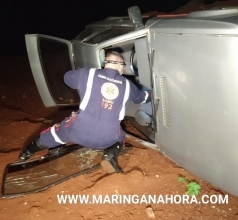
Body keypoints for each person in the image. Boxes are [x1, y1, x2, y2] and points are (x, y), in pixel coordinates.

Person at [18, 51, 150, 173]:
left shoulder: (88, 74)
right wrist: (151, 94)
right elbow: (142, 98)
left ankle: (27, 152)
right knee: (120, 134)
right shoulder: (128, 85)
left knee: (56, 133)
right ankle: (110, 155)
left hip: (78, 132)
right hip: (108, 138)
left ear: (105, 63)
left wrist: (83, 76)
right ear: (121, 67)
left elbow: (67, 78)